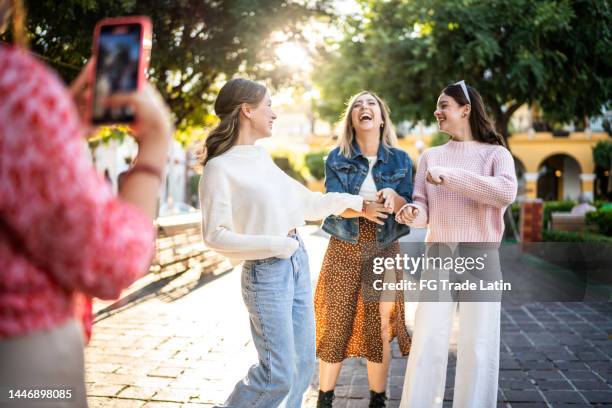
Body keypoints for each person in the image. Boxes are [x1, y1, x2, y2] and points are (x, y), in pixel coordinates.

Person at [0, 1, 173, 407]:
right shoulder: (15, 85)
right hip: (23, 370)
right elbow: (110, 262)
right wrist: (154, 142)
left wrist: (62, 125)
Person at [199, 78, 364, 408]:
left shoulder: (260, 158)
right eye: (268, 105)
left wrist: (360, 203)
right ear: (247, 110)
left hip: (296, 262)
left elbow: (306, 203)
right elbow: (214, 234)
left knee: (303, 367)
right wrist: (278, 245)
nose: (274, 113)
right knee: (277, 375)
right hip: (267, 272)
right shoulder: (219, 168)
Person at [396, 81, 517, 407]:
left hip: (481, 256)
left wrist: (450, 177)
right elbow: (423, 207)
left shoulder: (496, 154)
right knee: (427, 340)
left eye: (443, 105)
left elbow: (505, 192)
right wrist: (412, 213)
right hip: (439, 255)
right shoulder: (430, 157)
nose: (437, 111)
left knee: (478, 344)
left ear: (466, 109)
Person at [314, 91, 413, 408]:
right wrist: (363, 209)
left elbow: (408, 205)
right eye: (357, 105)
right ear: (351, 119)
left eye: (371, 104)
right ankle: (324, 398)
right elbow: (332, 204)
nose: (364, 108)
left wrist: (394, 198)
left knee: (380, 323)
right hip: (344, 244)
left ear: (382, 117)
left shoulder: (400, 159)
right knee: (337, 319)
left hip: (384, 246)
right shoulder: (336, 157)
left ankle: (378, 398)